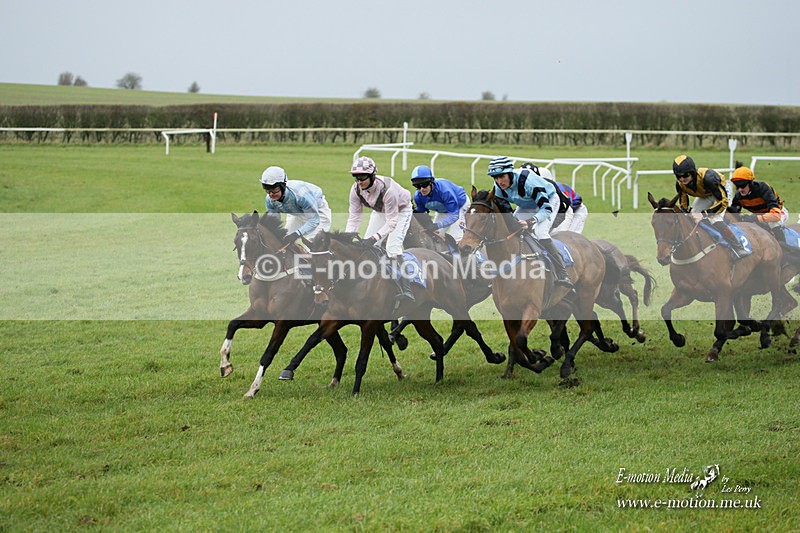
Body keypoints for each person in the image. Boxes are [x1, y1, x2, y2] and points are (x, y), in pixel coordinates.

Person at [488, 156, 573, 287]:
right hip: (527, 204)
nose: (499, 181)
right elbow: (507, 214)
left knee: (540, 233)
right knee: (511, 229)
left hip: (548, 201)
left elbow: (545, 208)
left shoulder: (527, 181)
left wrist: (529, 222)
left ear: (510, 173)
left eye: (502, 176)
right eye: (496, 178)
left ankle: (562, 273)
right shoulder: (498, 188)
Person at [345, 156, 415, 301]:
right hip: (380, 211)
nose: (359, 181)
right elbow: (354, 218)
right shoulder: (355, 190)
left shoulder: (387, 190)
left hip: (400, 211)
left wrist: (374, 237)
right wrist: (347, 237)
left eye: (362, 177)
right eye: (355, 177)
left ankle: (406, 288)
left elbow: (392, 222)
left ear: (372, 175)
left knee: (392, 247)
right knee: (367, 247)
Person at [672, 154, 747, 260]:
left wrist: (704, 214)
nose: (682, 179)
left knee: (715, 219)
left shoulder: (708, 178)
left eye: (685, 176)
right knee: (692, 216)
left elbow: (722, 201)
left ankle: (738, 246)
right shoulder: (679, 184)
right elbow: (683, 204)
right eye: (679, 176)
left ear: (692, 173)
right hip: (705, 195)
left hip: (721, 193)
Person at [259, 166, 332, 243]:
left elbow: (314, 220)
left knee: (313, 247)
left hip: (318, 214)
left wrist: (297, 234)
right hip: (297, 214)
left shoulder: (301, 196)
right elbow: (274, 222)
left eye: (275, 189)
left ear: (283, 186)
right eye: (267, 189)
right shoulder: (269, 200)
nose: (271, 194)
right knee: (283, 241)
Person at [727, 165, 789, 243]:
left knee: (773, 223)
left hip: (778, 213)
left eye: (742, 185)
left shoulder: (763, 188)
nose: (740, 189)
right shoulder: (738, 196)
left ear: (750, 183)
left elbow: (776, 216)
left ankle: (784, 247)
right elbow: (734, 216)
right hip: (760, 216)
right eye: (737, 186)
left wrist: (755, 218)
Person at [410, 164, 470, 242]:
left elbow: (454, 215)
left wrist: (437, 225)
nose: (422, 189)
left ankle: (466, 254)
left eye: (424, 185)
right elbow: (421, 211)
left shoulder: (444, 191)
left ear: (431, 182)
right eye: (417, 186)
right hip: (443, 210)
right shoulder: (418, 196)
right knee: (435, 237)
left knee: (456, 237)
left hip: (460, 206)